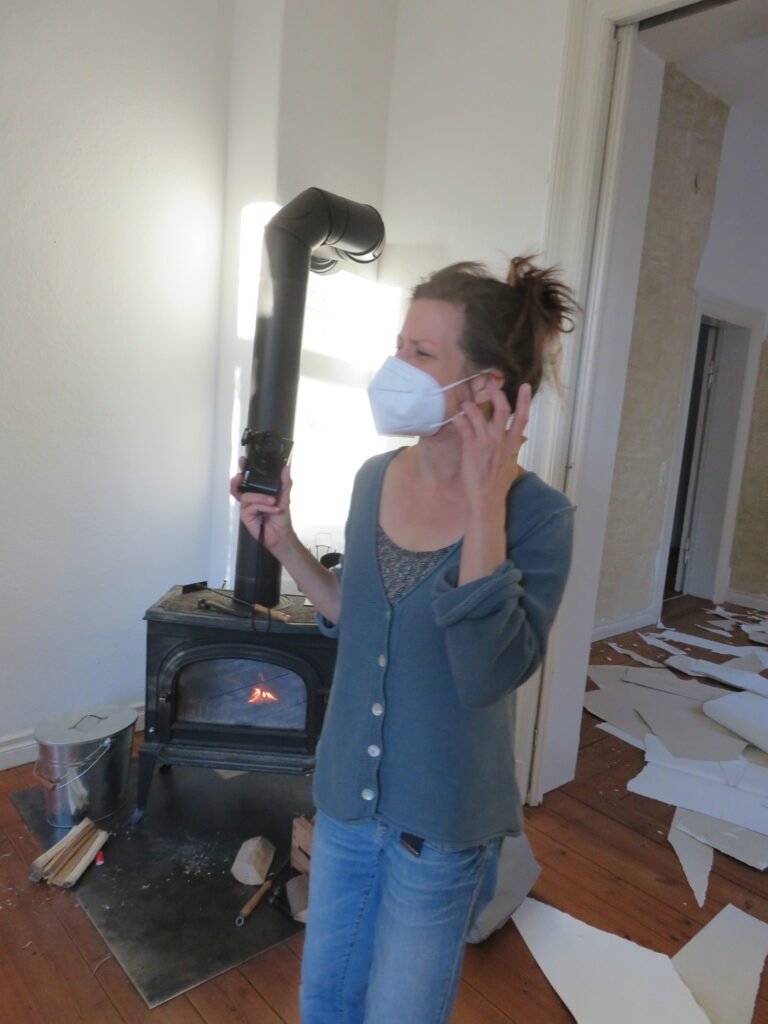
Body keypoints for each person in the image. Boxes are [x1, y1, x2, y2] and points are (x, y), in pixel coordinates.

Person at [230, 257, 577, 1024]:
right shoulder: (374, 477)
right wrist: (283, 543)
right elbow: (356, 617)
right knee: (326, 1004)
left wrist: (484, 504)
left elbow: (486, 674)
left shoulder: (540, 517)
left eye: (421, 353)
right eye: (399, 347)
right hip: (345, 808)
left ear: (486, 385)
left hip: (440, 830)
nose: (395, 369)